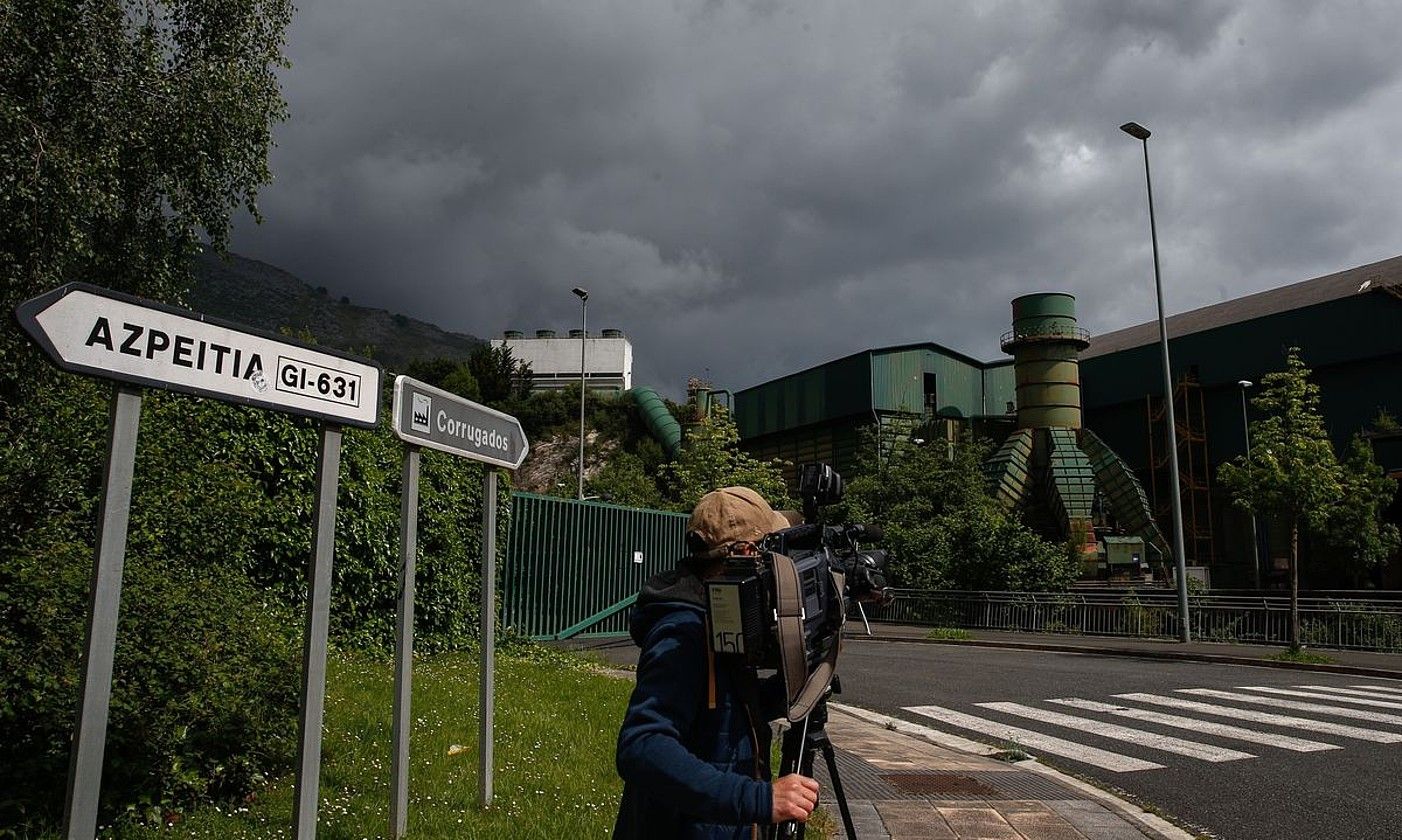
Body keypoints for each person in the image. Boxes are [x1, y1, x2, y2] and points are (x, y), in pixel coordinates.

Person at [612, 486, 820, 840]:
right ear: (745, 553)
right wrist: (759, 798)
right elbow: (642, 745)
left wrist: (798, 685)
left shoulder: (723, 616)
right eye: (771, 551)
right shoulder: (683, 631)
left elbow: (721, 714)